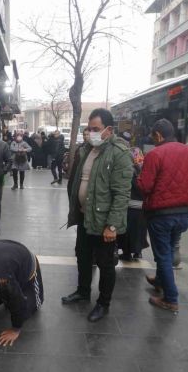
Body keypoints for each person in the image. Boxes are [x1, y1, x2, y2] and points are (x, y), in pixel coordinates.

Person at [62, 108, 133, 322]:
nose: (91, 132)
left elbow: (122, 194)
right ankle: (83, 291)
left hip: (103, 223)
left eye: (96, 129)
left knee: (105, 264)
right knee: (82, 256)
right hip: (85, 216)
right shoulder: (88, 149)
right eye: (89, 128)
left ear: (109, 130)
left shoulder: (119, 154)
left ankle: (103, 303)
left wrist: (112, 226)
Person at [137, 118, 188, 312]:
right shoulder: (186, 150)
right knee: (169, 248)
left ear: (158, 135)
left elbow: (145, 186)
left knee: (163, 256)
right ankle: (159, 281)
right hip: (184, 213)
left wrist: (137, 172)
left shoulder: (155, 154)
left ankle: (170, 299)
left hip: (161, 215)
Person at [118, 146, 149, 261]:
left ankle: (127, 253)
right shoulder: (145, 168)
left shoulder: (128, 169)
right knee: (140, 230)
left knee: (127, 230)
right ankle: (138, 252)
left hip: (129, 205)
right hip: (141, 206)